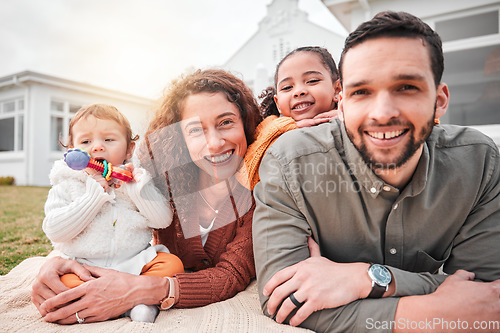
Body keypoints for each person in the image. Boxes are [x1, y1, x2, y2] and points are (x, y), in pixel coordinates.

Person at [253, 11, 500, 332]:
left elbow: (486, 294)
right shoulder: (289, 162)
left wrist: (365, 278)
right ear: (341, 104)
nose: (382, 113)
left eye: (406, 87)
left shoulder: (478, 162)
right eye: (361, 92)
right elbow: (284, 300)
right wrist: (433, 305)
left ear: (439, 101)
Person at [31, 69, 262, 324]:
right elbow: (98, 226)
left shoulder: (260, 191)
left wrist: (133, 291)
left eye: (226, 122)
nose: (215, 143)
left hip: (147, 276)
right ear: (181, 137)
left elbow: (230, 275)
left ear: (246, 122)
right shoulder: (163, 176)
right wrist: (55, 262)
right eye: (195, 129)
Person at [41, 103, 184, 323]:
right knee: (63, 285)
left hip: (134, 264)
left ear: (129, 149)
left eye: (108, 140)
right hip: (86, 268)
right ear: (72, 152)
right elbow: (55, 231)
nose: (97, 147)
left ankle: (131, 298)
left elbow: (163, 220)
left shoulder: (136, 180)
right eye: (86, 141)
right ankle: (130, 303)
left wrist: (138, 192)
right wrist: (94, 196)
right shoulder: (66, 184)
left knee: (172, 264)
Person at [245, 46, 341, 189]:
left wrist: (349, 114)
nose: (299, 92)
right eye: (287, 88)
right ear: (278, 103)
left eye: (312, 81)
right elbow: (247, 175)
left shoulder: (350, 121)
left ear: (337, 89)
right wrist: (288, 127)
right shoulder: (269, 131)